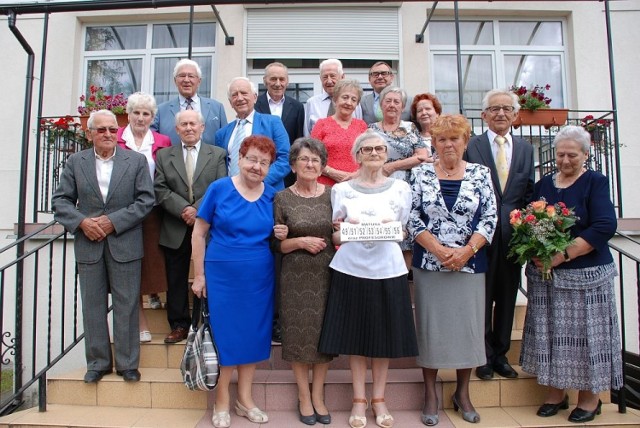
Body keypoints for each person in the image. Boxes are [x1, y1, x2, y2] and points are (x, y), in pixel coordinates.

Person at [519, 125, 622, 423]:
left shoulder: (595, 182)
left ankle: (590, 400)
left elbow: (604, 225)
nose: (565, 160)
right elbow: (530, 221)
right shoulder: (543, 186)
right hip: (547, 278)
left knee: (587, 338)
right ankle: (555, 394)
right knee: (552, 336)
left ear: (586, 154)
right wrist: (535, 249)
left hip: (586, 276)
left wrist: (562, 254)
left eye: (572, 155)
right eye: (561, 154)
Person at [318, 130, 418, 428]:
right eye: (367, 149)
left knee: (382, 337)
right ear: (357, 155)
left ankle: (379, 399)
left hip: (388, 268)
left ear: (387, 154)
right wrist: (345, 231)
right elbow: (336, 234)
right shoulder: (341, 190)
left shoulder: (401, 189)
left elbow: (404, 232)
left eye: (380, 148)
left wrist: (395, 230)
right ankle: (359, 401)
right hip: (352, 269)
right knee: (356, 337)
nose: (374, 153)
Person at [191, 135, 288, 428]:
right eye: (252, 159)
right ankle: (222, 399)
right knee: (226, 337)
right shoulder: (219, 189)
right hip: (222, 275)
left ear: (270, 167)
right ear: (239, 159)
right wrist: (198, 275)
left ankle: (245, 400)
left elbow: (276, 234)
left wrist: (281, 233)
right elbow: (198, 232)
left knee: (253, 337)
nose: (256, 166)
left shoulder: (273, 196)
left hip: (259, 276)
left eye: (264, 162)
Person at [53, 110, 154, 383]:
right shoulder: (76, 162)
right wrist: (83, 223)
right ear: (90, 134)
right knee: (92, 305)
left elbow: (146, 201)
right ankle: (97, 363)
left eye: (112, 129)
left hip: (125, 242)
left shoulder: (136, 161)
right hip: (89, 244)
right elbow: (60, 202)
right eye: (101, 130)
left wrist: (113, 222)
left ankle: (127, 364)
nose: (108, 134)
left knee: (128, 305)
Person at [408, 114, 497, 426]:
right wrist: (438, 249)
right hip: (430, 264)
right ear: (433, 142)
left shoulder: (481, 173)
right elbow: (412, 217)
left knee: (467, 328)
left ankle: (462, 392)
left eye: (454, 139)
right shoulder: (419, 174)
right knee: (432, 328)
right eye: (442, 139)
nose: (448, 144)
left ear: (465, 142)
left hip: (469, 264)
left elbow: (490, 216)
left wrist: (467, 250)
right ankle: (430, 392)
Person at [464, 88, 534, 381]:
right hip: (479, 235)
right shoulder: (473, 145)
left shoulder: (526, 149)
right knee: (481, 296)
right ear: (484, 115)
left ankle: (501, 355)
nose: (501, 113)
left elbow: (528, 191)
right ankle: (482, 355)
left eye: (506, 108)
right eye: (494, 109)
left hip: (512, 238)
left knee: (506, 297)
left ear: (516, 115)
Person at [272, 138, 335, 426]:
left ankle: (319, 395)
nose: (310, 164)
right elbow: (278, 246)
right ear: (294, 164)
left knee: (323, 336)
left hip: (328, 273)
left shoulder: (334, 195)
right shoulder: (282, 198)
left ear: (322, 165)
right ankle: (303, 396)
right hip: (295, 276)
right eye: (304, 159)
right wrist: (297, 240)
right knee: (298, 336)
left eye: (315, 160)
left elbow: (338, 237)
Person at [154, 109, 227, 344]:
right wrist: (183, 210)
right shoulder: (164, 156)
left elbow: (220, 185)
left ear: (202, 127)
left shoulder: (217, 154)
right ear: (176, 129)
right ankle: (179, 325)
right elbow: (160, 189)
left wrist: (197, 209)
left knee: (208, 274)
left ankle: (206, 321)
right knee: (175, 278)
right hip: (175, 225)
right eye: (183, 124)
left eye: (193, 124)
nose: (188, 128)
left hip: (207, 226)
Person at [116, 92, 171, 343]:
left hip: (152, 209)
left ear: (152, 117)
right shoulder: (116, 138)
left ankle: (154, 293)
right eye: (136, 112)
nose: (140, 117)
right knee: (129, 263)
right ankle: (139, 322)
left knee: (152, 258)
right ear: (128, 114)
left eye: (145, 113)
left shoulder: (162, 141)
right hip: (122, 210)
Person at [215, 77, 291, 191]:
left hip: (265, 192)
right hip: (232, 194)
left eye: (244, 93)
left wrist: (257, 180)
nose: (240, 98)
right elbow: (221, 167)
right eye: (234, 95)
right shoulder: (221, 134)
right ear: (231, 103)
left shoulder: (272, 123)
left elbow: (286, 158)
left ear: (255, 97)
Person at [151, 58, 227, 145]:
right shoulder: (161, 111)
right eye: (182, 76)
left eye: (191, 76)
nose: (186, 80)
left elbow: (224, 140)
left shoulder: (217, 108)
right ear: (175, 81)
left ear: (199, 81)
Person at [255, 61, 305, 187]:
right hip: (258, 170)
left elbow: (298, 141)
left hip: (287, 174)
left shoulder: (297, 107)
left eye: (282, 79)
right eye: (273, 79)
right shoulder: (255, 105)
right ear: (265, 80)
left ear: (287, 81)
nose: (278, 83)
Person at [311, 79, 368, 186]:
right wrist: (333, 173)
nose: (348, 103)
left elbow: (368, 156)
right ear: (335, 99)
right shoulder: (321, 124)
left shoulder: (362, 126)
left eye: (353, 99)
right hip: (326, 184)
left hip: (356, 183)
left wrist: (357, 174)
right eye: (345, 97)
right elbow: (312, 156)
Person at [304, 58, 363, 136]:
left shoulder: (352, 102)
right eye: (325, 77)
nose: (329, 81)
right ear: (320, 79)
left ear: (342, 77)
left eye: (332, 76)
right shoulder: (312, 103)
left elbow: (359, 130)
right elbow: (306, 133)